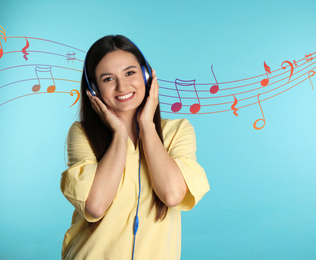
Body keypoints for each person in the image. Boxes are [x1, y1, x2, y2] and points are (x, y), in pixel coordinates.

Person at [60, 35, 210, 260]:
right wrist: (120, 134)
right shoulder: (82, 134)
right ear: (94, 89)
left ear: (147, 75)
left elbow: (172, 194)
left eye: (130, 73)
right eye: (108, 79)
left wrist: (147, 125)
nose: (122, 86)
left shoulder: (178, 131)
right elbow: (95, 206)